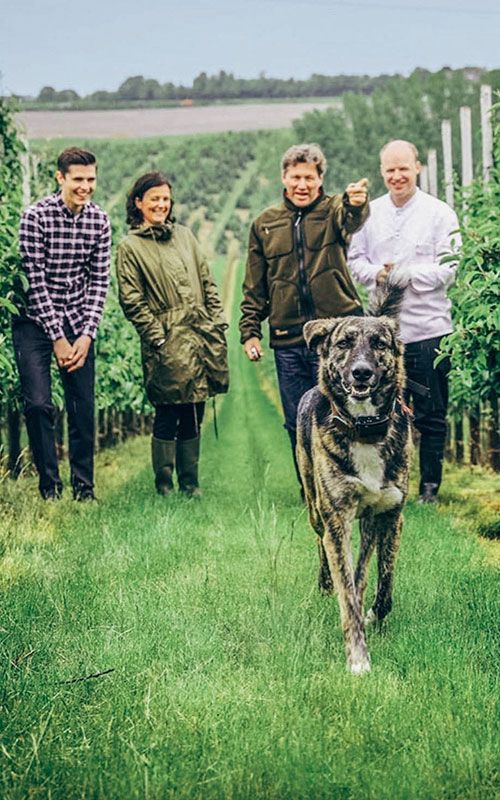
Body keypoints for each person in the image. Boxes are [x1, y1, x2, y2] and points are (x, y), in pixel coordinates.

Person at [239, 143, 368, 488]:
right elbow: (255, 286)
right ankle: (311, 488)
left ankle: (352, 484)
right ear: (284, 177)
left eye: (309, 177)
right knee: (298, 418)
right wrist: (249, 331)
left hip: (338, 337)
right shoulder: (264, 224)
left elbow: (352, 219)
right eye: (295, 177)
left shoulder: (333, 211)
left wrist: (356, 204)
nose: (302, 184)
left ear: (320, 179)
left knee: (347, 410)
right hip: (289, 338)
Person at [348, 139, 461, 503]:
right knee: (381, 412)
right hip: (381, 335)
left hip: (429, 330)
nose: (397, 176)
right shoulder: (371, 214)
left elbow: (449, 268)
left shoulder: (439, 213)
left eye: (403, 169)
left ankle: (429, 487)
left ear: (417, 168)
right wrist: (378, 275)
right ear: (382, 172)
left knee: (429, 414)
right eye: (390, 170)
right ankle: (387, 484)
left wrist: (406, 274)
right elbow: (355, 261)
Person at [116, 172, 229, 497]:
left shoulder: (184, 235)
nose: (161, 205)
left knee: (195, 408)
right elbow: (132, 299)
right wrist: (158, 337)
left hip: (200, 335)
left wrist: (216, 321)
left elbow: (207, 281)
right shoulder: (131, 247)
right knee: (169, 410)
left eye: (165, 199)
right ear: (139, 203)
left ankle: (190, 484)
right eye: (154, 199)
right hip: (167, 339)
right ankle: (164, 485)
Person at [14, 147, 111, 501]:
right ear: (61, 178)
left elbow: (100, 282)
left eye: (91, 179)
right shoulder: (35, 217)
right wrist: (57, 337)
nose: (85, 187)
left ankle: (84, 489)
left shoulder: (99, 221)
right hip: (34, 322)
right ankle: (50, 488)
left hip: (77, 320)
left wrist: (86, 334)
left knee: (82, 406)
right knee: (39, 404)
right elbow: (34, 280)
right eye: (78, 180)